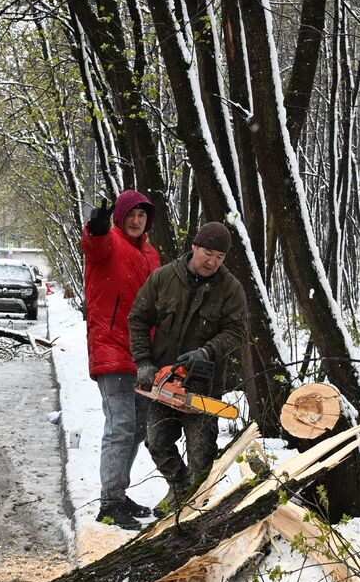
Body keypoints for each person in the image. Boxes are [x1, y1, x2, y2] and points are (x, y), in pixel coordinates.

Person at [128, 221, 247, 513]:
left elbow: (236, 332)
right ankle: (180, 489)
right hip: (163, 383)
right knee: (156, 443)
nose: (212, 261)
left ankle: (196, 509)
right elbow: (138, 319)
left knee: (201, 455)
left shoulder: (230, 289)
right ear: (194, 246)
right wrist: (143, 362)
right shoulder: (163, 278)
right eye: (208, 252)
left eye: (219, 257)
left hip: (203, 387)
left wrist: (206, 352)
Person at [83, 189, 162, 530]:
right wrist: (96, 227)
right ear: (119, 216)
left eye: (141, 215)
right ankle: (110, 501)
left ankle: (119, 492)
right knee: (120, 428)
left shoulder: (150, 254)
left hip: (143, 355)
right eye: (130, 214)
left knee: (137, 429)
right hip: (112, 348)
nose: (135, 220)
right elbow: (94, 244)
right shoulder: (109, 241)